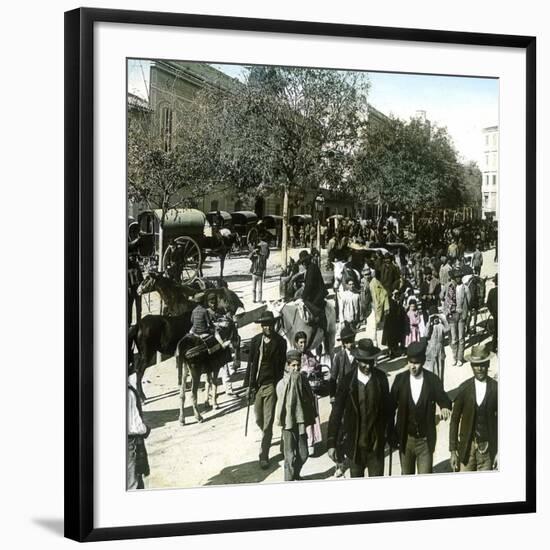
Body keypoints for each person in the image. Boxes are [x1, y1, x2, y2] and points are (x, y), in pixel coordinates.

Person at [327, 339, 392, 478]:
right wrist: (331, 442)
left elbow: (388, 411)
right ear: (357, 360)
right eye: (364, 361)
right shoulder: (347, 381)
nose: (367, 365)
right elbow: (336, 413)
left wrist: (390, 434)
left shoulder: (381, 379)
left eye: (370, 361)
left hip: (375, 448)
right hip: (355, 447)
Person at [390, 341, 452, 475]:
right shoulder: (400, 380)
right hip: (406, 441)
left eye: (416, 363)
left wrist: (445, 407)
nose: (413, 367)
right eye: (410, 362)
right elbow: (390, 408)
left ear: (423, 362)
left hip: (425, 442)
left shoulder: (432, 380)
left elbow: (444, 399)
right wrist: (391, 434)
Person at [244, 311, 287, 469]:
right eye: (264, 325)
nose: (267, 327)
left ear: (274, 324)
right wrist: (248, 387)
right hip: (258, 386)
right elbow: (251, 364)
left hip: (271, 386)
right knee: (259, 419)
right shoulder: (256, 341)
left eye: (270, 324)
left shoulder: (280, 342)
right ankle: (267, 436)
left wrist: (280, 387)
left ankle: (264, 455)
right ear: (261, 326)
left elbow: (282, 366)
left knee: (268, 423)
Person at [450, 345, 498, 471]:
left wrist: (499, 451)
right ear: (471, 366)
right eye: (476, 365)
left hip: (487, 449)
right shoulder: (464, 389)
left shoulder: (495, 388)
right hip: (466, 448)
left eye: (483, 364)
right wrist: (453, 451)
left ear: (488, 365)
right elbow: (454, 420)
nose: (480, 368)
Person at [275, 349, 318, 481]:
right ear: (287, 366)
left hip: (300, 423)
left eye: (298, 364)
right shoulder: (281, 384)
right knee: (289, 457)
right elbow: (281, 406)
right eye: (293, 365)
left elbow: (309, 398)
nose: (296, 368)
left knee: (303, 454)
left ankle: (296, 475)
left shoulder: (303, 380)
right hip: (288, 425)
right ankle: (289, 481)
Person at [329, 324, 356, 477]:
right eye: (347, 342)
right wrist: (332, 396)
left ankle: (351, 457)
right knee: (339, 429)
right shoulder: (338, 357)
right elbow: (332, 378)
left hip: (355, 398)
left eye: (351, 340)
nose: (350, 344)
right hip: (341, 397)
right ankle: (340, 462)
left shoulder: (359, 354)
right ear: (343, 343)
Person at [294, 332, 323, 455]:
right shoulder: (293, 356)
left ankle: (311, 442)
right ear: (296, 343)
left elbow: (316, 366)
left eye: (305, 342)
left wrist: (314, 369)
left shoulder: (309, 355)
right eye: (301, 342)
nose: (303, 344)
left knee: (311, 415)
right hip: (297, 390)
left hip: (309, 391)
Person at [442, 269, 470, 366]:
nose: (457, 279)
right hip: (452, 315)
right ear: (454, 278)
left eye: (459, 277)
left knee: (461, 337)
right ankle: (454, 357)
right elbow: (444, 299)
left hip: (461, 314)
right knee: (454, 338)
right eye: (456, 277)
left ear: (461, 277)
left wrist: (464, 312)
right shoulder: (450, 287)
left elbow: (469, 301)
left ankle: (460, 358)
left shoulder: (465, 288)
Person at [127, 368, 150, 490]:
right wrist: (146, 429)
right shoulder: (129, 393)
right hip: (130, 444)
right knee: (132, 485)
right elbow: (135, 426)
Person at [298, 250, 328, 333]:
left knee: (308, 305)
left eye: (304, 262)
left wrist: (303, 297)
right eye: (302, 263)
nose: (303, 264)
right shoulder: (310, 268)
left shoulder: (312, 268)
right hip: (314, 293)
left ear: (307, 261)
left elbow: (309, 285)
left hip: (318, 294)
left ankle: (318, 324)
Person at [424, 306, 449, 382]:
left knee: (440, 372)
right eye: (433, 318)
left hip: (440, 352)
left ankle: (440, 390)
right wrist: (429, 322)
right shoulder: (430, 327)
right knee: (432, 372)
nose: (435, 319)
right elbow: (426, 335)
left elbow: (448, 329)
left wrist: (442, 318)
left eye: (436, 317)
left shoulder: (440, 326)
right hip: (431, 353)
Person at [382, 289, 408, 358]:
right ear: (393, 294)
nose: (397, 295)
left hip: (396, 323)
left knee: (395, 338)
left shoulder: (397, 301)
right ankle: (391, 352)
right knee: (390, 338)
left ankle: (394, 350)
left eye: (398, 294)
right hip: (390, 323)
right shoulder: (390, 302)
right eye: (395, 294)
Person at [369, 269, 390, 347]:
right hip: (377, 308)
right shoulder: (373, 283)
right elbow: (376, 297)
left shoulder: (376, 282)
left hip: (379, 307)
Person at [128, 222, 143, 325]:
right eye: (131, 257)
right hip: (130, 289)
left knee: (139, 308)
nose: (133, 259)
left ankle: (139, 323)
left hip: (137, 288)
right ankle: (128, 325)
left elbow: (141, 278)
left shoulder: (137, 266)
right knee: (129, 308)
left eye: (134, 257)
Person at [249, 235, 270, 303]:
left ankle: (260, 300)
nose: (257, 252)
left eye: (258, 251)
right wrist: (253, 252)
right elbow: (249, 257)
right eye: (256, 251)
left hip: (260, 274)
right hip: (254, 274)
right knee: (253, 289)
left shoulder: (262, 257)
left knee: (260, 289)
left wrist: (263, 270)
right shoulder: (254, 257)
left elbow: (265, 263)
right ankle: (254, 299)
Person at [486, 274, 498, 353]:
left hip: (496, 315)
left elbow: (488, 304)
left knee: (496, 332)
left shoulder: (492, 291)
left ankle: (494, 347)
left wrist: (493, 313)